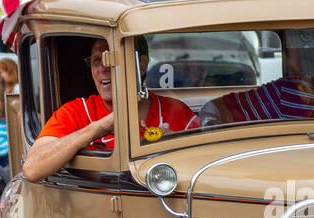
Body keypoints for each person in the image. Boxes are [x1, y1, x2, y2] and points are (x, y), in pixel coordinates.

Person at [23, 38, 199, 181]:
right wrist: (98, 128)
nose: (102, 69)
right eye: (96, 61)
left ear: (142, 65)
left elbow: (206, 167)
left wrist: (175, 146)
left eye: (110, 60)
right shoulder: (76, 111)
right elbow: (32, 169)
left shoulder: (176, 111)